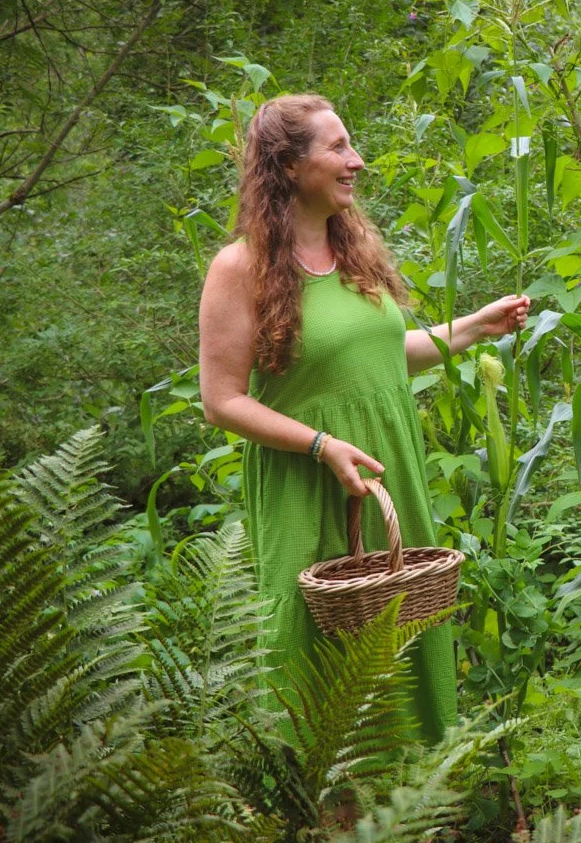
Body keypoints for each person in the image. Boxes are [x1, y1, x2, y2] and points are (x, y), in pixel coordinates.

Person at [198, 93, 529, 743]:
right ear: (288, 165)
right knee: (313, 651)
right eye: (339, 148)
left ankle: (409, 794)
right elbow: (222, 401)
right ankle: (324, 799)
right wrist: (322, 445)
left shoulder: (354, 255)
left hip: (385, 469)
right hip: (308, 479)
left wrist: (473, 328)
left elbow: (378, 356)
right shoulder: (241, 267)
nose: (358, 161)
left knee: (400, 623)